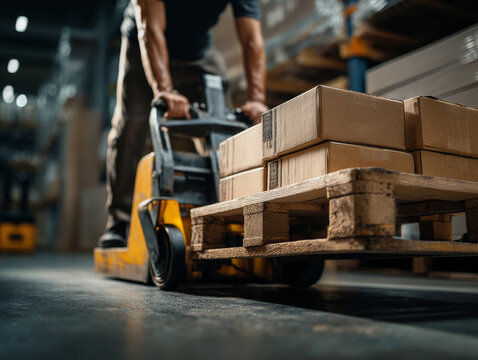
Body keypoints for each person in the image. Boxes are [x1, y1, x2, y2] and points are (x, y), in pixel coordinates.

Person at [99, 0, 268, 247]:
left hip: (197, 53)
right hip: (143, 45)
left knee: (222, 128)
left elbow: (252, 39)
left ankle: (227, 212)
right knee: (131, 126)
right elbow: (150, 28)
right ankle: (119, 223)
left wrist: (256, 99)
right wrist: (165, 91)